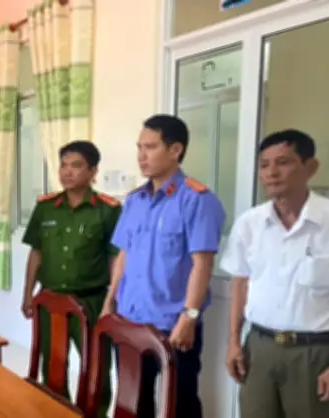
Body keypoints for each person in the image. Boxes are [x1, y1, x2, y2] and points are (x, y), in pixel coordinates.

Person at [102, 114, 226, 418]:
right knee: (133, 401)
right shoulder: (135, 201)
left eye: (150, 147)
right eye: (139, 147)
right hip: (130, 320)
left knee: (180, 403)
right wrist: (110, 300)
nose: (141, 156)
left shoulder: (197, 199)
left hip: (172, 324)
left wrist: (189, 317)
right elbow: (124, 255)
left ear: (175, 150)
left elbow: (202, 263)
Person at [221, 130, 329, 418]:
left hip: (316, 353)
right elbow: (240, 284)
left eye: (283, 162)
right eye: (264, 165)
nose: (271, 173)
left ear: (310, 167)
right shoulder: (250, 224)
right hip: (259, 349)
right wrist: (233, 342)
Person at [21, 140, 119, 417]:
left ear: (93, 171)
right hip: (51, 301)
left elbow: (115, 259)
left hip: (91, 301)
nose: (67, 172)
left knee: (97, 369)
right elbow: (36, 253)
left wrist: (112, 301)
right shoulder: (46, 207)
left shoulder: (108, 210)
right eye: (63, 165)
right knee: (53, 366)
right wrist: (27, 294)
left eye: (76, 166)